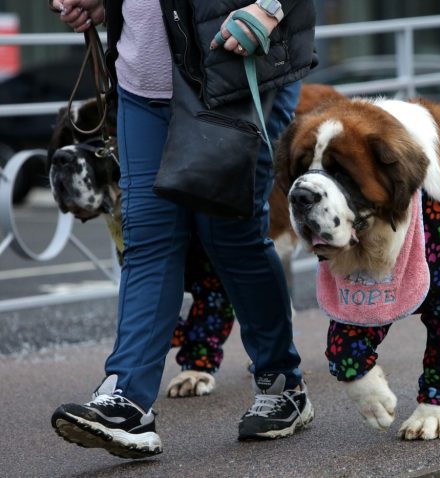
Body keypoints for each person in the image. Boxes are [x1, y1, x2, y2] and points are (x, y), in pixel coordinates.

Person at [48, 0, 317, 458]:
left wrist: (271, 6)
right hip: (140, 83)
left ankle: (282, 384)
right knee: (148, 240)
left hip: (232, 65)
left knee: (231, 237)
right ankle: (127, 399)